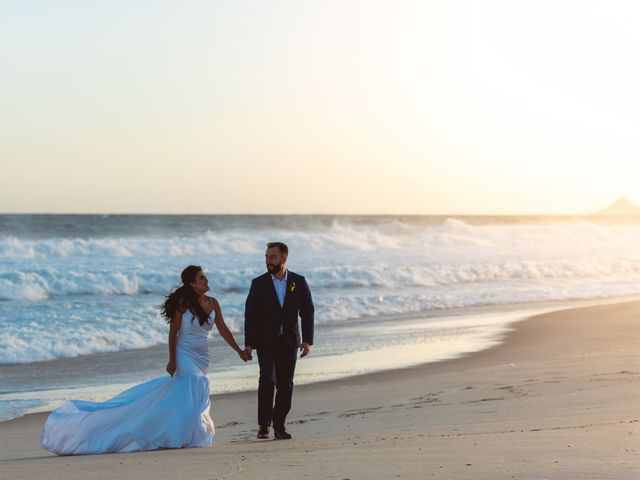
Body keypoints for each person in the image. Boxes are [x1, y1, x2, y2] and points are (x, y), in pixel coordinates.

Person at [40, 265, 249, 455]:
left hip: (202, 356)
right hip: (184, 354)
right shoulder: (183, 304)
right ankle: (174, 432)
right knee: (190, 385)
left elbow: (222, 329)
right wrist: (172, 360)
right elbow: (173, 332)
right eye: (202, 278)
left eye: (205, 277)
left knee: (191, 393)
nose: (206, 280)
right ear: (192, 283)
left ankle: (185, 431)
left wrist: (239, 350)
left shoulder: (213, 303)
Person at [244, 242, 314, 440]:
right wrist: (249, 343)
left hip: (290, 342)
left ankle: (279, 426)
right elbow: (251, 315)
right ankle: (264, 424)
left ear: (284, 258)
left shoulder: (298, 282)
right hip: (266, 342)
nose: (268, 261)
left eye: (272, 257)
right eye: (266, 257)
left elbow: (307, 311)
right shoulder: (258, 284)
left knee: (286, 385)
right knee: (267, 379)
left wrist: (307, 340)